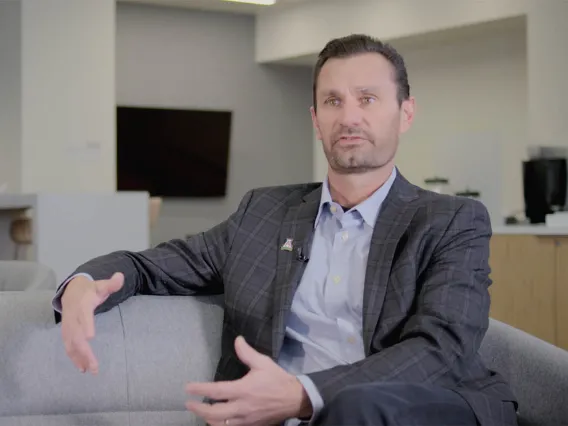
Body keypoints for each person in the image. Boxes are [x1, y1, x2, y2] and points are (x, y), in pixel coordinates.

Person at [53, 33, 518, 426]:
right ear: (316, 120)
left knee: (356, 406)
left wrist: (304, 394)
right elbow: (150, 265)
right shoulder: (265, 213)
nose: (349, 116)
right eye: (332, 101)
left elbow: (442, 349)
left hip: (418, 408)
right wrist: (84, 283)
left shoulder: (452, 220)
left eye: (368, 99)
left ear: (406, 113)